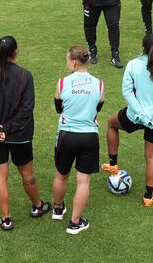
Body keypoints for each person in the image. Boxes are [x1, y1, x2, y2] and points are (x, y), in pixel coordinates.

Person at [0, 36, 51, 231]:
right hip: (19, 135)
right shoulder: (25, 75)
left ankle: (6, 218)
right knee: (27, 173)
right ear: (16, 51)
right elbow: (27, 109)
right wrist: (7, 129)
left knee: (0, 177)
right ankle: (38, 206)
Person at [103, 33, 153, 207]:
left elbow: (127, 92)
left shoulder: (133, 65)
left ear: (142, 47)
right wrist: (150, 112)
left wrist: (142, 113)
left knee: (111, 123)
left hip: (134, 116)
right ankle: (148, 197)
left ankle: (113, 164)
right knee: (151, 157)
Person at [51, 45, 103, 234]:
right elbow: (99, 106)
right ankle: (75, 222)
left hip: (66, 135)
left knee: (60, 175)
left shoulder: (62, 83)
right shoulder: (99, 84)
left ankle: (58, 209)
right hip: (89, 135)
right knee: (83, 181)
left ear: (74, 61)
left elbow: (58, 107)